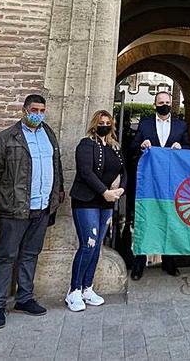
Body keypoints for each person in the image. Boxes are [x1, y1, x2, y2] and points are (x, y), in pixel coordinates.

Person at [0, 94, 66, 330]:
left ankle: (24, 298)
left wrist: (57, 192)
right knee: (6, 256)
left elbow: (55, 165)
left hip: (42, 206)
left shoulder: (49, 134)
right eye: (34, 109)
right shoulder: (8, 137)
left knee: (30, 253)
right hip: (14, 206)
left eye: (42, 110)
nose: (38, 114)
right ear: (24, 110)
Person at [66, 110, 126, 312]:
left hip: (106, 203)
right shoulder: (86, 144)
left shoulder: (114, 147)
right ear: (94, 124)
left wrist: (121, 189)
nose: (105, 125)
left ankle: (87, 288)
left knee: (97, 245)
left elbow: (123, 171)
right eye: (101, 122)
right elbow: (85, 171)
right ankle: (73, 290)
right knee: (88, 244)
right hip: (87, 201)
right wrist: (104, 191)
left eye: (108, 122)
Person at [130, 90, 188, 280]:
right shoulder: (145, 124)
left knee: (171, 219)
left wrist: (181, 148)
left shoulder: (181, 125)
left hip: (171, 182)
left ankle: (169, 262)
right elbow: (131, 147)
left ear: (172, 105)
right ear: (155, 105)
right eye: (160, 102)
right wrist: (142, 144)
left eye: (167, 102)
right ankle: (139, 263)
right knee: (145, 218)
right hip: (149, 182)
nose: (164, 105)